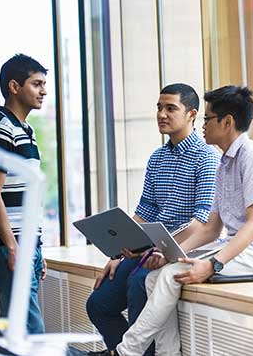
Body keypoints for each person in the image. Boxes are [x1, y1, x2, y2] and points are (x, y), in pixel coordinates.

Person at [96, 85, 253, 356]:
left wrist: (212, 265)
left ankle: (126, 351)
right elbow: (211, 228)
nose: (203, 126)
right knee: (155, 277)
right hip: (237, 245)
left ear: (227, 122)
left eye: (207, 119)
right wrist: (170, 255)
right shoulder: (225, 163)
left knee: (166, 277)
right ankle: (167, 353)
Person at [86, 83, 220, 355]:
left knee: (138, 285)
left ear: (192, 114)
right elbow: (144, 210)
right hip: (146, 249)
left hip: (180, 250)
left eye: (171, 108)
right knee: (98, 304)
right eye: (159, 108)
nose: (162, 114)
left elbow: (202, 221)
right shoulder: (157, 158)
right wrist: (117, 252)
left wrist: (163, 250)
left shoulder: (207, 158)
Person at [0, 53, 49, 334]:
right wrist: (12, 246)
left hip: (25, 245)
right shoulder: (1, 131)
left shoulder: (25, 131)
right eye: (36, 84)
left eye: (44, 84)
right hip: (8, 247)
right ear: (14, 87)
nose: (43, 91)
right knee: (30, 332)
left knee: (24, 331)